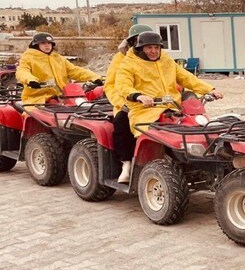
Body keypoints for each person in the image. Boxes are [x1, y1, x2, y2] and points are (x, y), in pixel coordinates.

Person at [114, 31, 223, 177]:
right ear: (141, 48)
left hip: (173, 108)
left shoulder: (167, 61)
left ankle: (202, 159)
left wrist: (209, 89)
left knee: (198, 127)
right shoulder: (128, 64)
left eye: (156, 47)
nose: (153, 51)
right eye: (149, 48)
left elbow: (187, 78)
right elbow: (122, 85)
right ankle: (128, 164)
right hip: (145, 110)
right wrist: (138, 95)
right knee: (146, 132)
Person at [104, 23, 152, 183]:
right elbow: (110, 85)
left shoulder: (157, 58)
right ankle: (126, 164)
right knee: (121, 123)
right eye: (137, 40)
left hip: (154, 103)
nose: (142, 43)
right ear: (131, 42)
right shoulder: (120, 60)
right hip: (127, 102)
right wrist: (122, 102)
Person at [16, 32, 102, 104]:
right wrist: (31, 80)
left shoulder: (59, 58)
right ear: (36, 45)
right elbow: (22, 71)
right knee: (36, 115)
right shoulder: (28, 57)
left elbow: (74, 70)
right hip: (38, 97)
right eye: (43, 43)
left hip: (63, 96)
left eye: (49, 43)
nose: (47, 46)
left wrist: (93, 77)